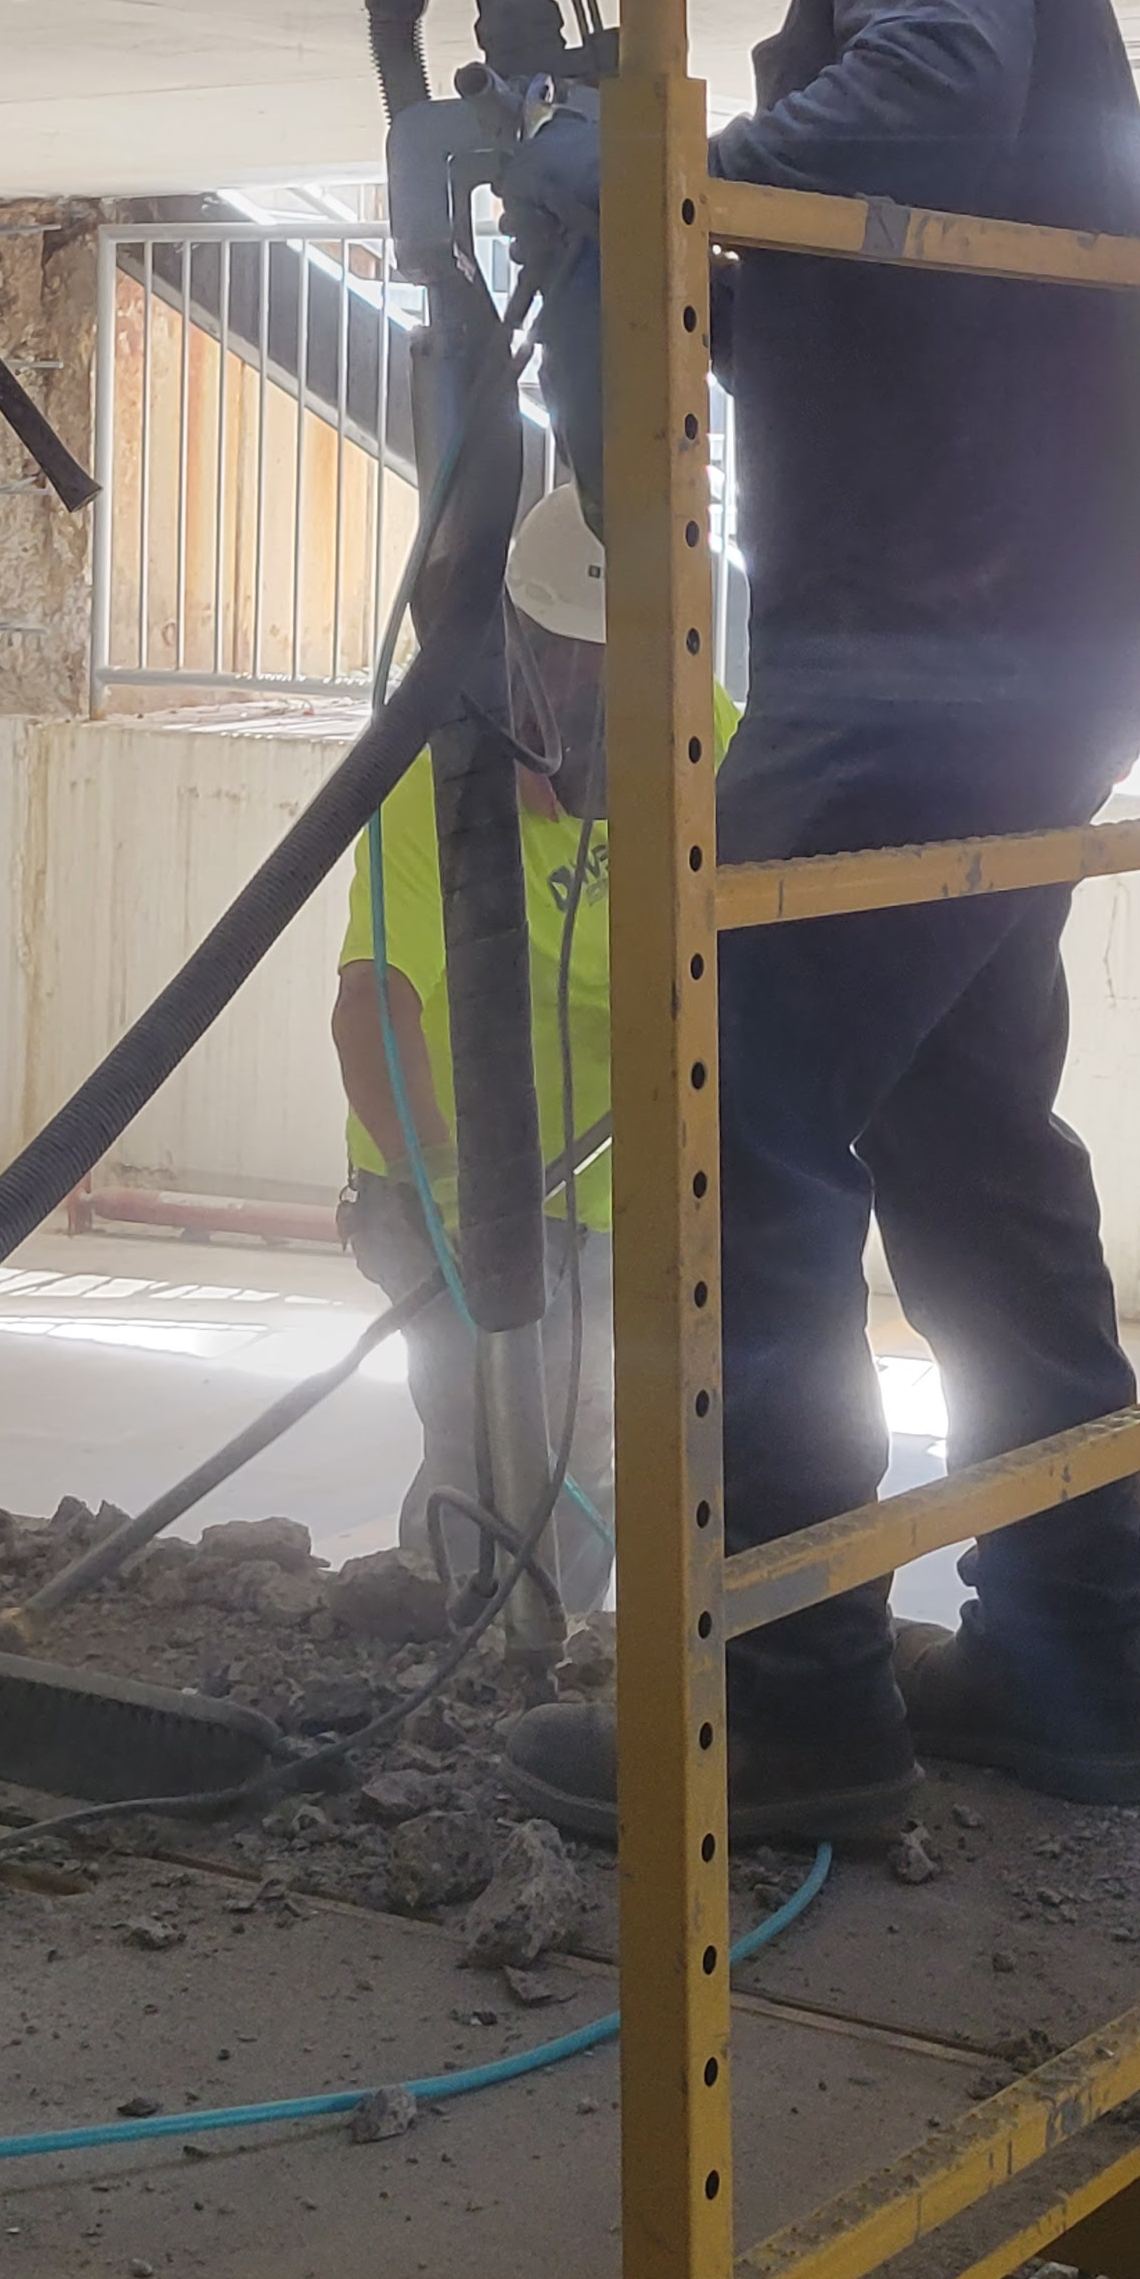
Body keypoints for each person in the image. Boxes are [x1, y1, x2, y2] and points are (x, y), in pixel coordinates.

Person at [504, 0, 1140, 1848]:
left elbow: (920, 104)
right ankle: (1071, 1672)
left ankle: (787, 1701)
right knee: (969, 1160)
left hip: (916, 665)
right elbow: (850, 253)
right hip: (1023, 659)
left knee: (732, 1148)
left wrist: (647, 179)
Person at [335, 481, 719, 1616]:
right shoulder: (429, 779)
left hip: (619, 1168)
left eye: (620, 682)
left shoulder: (715, 741)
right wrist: (445, 1187)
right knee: (478, 1431)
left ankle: (545, 1664)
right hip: (441, 1164)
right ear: (515, 652)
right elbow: (375, 1010)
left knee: (582, 1437)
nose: (589, 710)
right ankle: (458, 1650)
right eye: (565, 672)